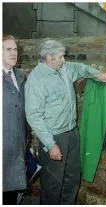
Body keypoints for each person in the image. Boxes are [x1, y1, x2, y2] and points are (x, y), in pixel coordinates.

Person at [25, 39, 106, 205]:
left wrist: (95, 74)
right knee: (52, 185)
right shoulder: (36, 80)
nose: (64, 60)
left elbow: (79, 68)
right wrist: (51, 145)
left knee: (72, 179)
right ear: (49, 57)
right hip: (54, 137)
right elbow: (34, 116)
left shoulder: (64, 68)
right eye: (61, 57)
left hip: (72, 133)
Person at [3, 34, 27, 204]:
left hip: (18, 145)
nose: (13, 53)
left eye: (15, 49)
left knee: (12, 195)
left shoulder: (20, 76)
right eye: (8, 49)